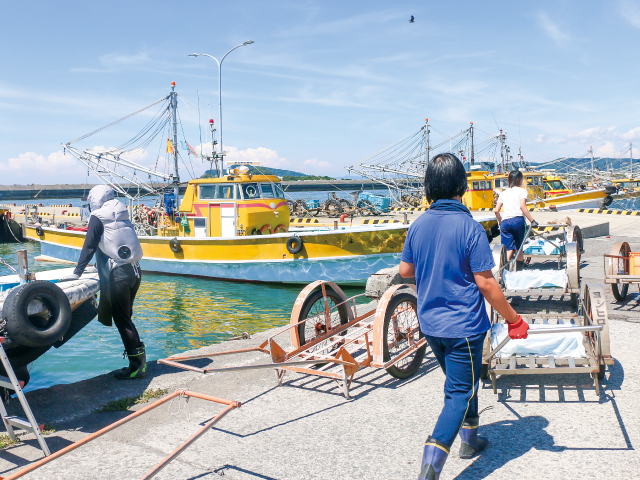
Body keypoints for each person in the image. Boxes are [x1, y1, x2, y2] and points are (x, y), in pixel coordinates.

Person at [399, 153, 530, 480]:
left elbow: (405, 271)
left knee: (464, 381)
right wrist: (514, 320)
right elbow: (486, 283)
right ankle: (430, 468)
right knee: (459, 392)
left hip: (431, 326)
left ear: (429, 186)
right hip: (464, 328)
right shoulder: (470, 228)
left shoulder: (418, 225)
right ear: (461, 185)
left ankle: (469, 441)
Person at [60, 185, 146, 379]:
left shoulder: (97, 216)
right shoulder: (121, 212)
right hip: (135, 271)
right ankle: (139, 363)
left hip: (118, 275)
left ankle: (137, 368)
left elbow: (89, 245)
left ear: (94, 200)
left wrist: (77, 272)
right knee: (126, 318)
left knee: (122, 320)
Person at [494, 170, 538, 270]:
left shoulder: (503, 193)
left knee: (508, 249)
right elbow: (522, 207)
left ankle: (502, 271)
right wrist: (532, 220)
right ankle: (519, 271)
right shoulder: (522, 191)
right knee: (519, 247)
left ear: (509, 180)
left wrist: (500, 222)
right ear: (519, 179)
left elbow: (496, 210)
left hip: (505, 222)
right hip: (518, 221)